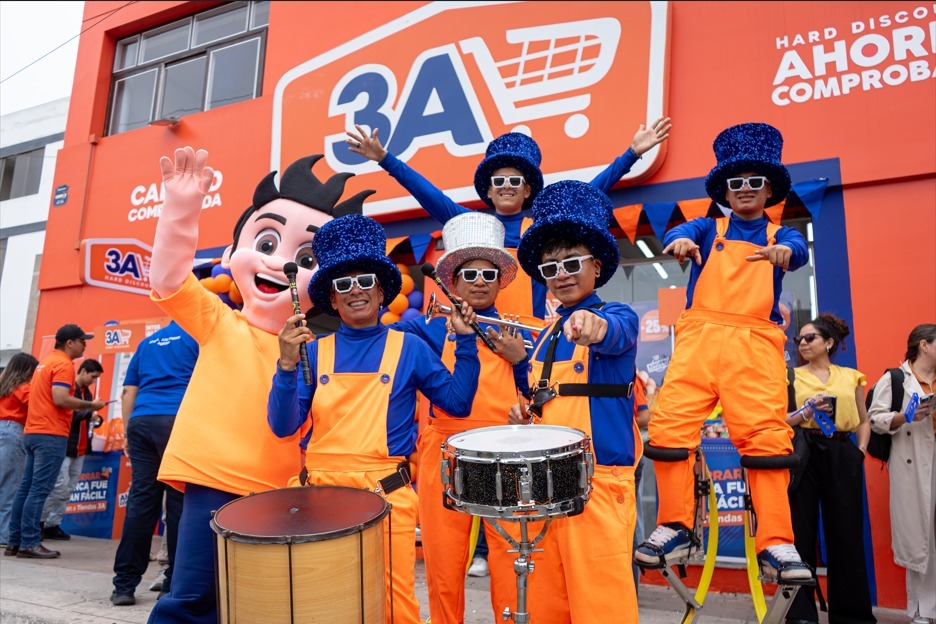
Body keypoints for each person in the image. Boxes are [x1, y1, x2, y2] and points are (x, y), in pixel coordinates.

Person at [146, 148, 369, 623]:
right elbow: (168, 279)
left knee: (262, 606)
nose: (280, 264)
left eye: (305, 258)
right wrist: (181, 210)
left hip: (283, 490)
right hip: (213, 479)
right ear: (232, 255)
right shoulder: (218, 321)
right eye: (266, 243)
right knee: (192, 598)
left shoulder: (322, 350)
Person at [268, 212, 482, 624]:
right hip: (319, 498)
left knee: (395, 607)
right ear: (332, 300)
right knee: (323, 605)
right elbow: (282, 426)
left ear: (381, 291)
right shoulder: (312, 351)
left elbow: (457, 404)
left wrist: (467, 343)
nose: (355, 290)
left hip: (386, 500)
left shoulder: (410, 348)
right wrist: (285, 365)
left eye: (365, 281)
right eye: (343, 285)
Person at [635, 122, 812, 583]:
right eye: (736, 182)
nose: (745, 189)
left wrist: (786, 254)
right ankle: (675, 525)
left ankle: (776, 541)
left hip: (753, 347)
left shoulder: (780, 235)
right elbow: (679, 231)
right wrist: (679, 241)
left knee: (767, 438)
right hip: (698, 342)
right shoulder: (706, 227)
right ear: (725, 191)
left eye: (755, 181)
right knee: (669, 428)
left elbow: (797, 250)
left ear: (769, 189)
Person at [346, 118, 671, 319]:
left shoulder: (540, 231)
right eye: (499, 180)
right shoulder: (471, 227)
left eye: (515, 180)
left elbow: (589, 192)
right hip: (480, 331)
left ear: (527, 189)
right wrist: (385, 159)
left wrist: (631, 155)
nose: (506, 186)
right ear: (488, 189)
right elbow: (428, 193)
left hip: (529, 338)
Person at [507, 180, 642, 622]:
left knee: (602, 610)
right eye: (551, 267)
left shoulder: (617, 315)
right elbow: (546, 403)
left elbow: (612, 332)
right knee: (547, 608)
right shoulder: (546, 335)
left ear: (596, 266)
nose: (561, 274)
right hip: (546, 490)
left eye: (571, 263)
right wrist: (525, 416)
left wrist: (592, 325)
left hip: (598, 487)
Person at [390, 211, 532, 623]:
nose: (480, 282)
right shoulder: (425, 329)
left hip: (504, 450)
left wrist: (521, 361)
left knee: (508, 556)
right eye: (470, 274)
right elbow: (377, 341)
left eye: (489, 274)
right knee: (443, 561)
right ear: (452, 281)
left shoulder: (516, 331)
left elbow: (535, 395)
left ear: (500, 282)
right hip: (445, 449)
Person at [785, 314, 875, 624]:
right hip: (804, 452)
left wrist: (859, 452)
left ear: (829, 343)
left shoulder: (852, 377)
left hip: (842, 451)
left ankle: (851, 615)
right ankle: (800, 615)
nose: (802, 343)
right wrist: (806, 410)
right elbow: (781, 419)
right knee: (801, 533)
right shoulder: (790, 376)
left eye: (809, 338)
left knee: (847, 534)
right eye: (799, 339)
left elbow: (863, 420)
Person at [110, 320, 198, 607]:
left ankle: (124, 586)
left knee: (141, 502)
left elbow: (128, 392)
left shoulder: (147, 343)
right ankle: (172, 584)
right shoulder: (197, 337)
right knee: (178, 503)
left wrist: (127, 433)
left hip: (141, 422)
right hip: (178, 420)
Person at [4, 325, 106, 559]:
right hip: (50, 434)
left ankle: (15, 542)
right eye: (82, 341)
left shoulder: (45, 363)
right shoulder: (63, 365)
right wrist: (91, 406)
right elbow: (60, 399)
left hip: (33, 432)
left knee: (26, 488)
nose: (85, 345)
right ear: (69, 343)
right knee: (39, 489)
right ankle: (29, 542)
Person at [868, 324, 936, 624]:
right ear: (924, 345)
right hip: (913, 462)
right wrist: (905, 416)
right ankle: (922, 610)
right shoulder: (895, 378)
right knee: (921, 537)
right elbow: (874, 418)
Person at [40, 359, 105, 541]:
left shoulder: (88, 393)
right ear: (82, 371)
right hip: (65, 445)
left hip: (80, 448)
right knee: (58, 486)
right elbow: (69, 416)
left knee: (67, 489)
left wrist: (95, 418)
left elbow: (82, 417)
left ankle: (52, 524)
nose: (94, 380)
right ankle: (39, 522)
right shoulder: (69, 390)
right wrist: (90, 411)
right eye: (93, 376)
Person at [0, 352, 40, 546]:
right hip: (13, 431)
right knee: (11, 487)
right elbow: (39, 406)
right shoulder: (24, 388)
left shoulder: (4, 386)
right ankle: (4, 535)